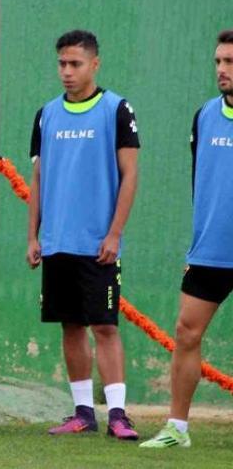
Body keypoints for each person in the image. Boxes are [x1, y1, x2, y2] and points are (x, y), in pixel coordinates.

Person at [26, 30, 140, 440]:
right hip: (57, 242)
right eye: (62, 64)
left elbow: (130, 177)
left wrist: (114, 234)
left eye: (75, 64)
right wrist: (33, 236)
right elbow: (37, 178)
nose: (67, 72)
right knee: (70, 326)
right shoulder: (46, 114)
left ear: (95, 64)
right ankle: (82, 413)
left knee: (105, 327)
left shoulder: (116, 110)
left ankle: (119, 415)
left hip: (98, 245)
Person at [140, 29, 233, 449]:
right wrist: (196, 243)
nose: (222, 70)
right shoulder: (205, 116)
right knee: (186, 332)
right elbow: (204, 183)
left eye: (229, 62)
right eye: (218, 62)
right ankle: (177, 428)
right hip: (211, 250)